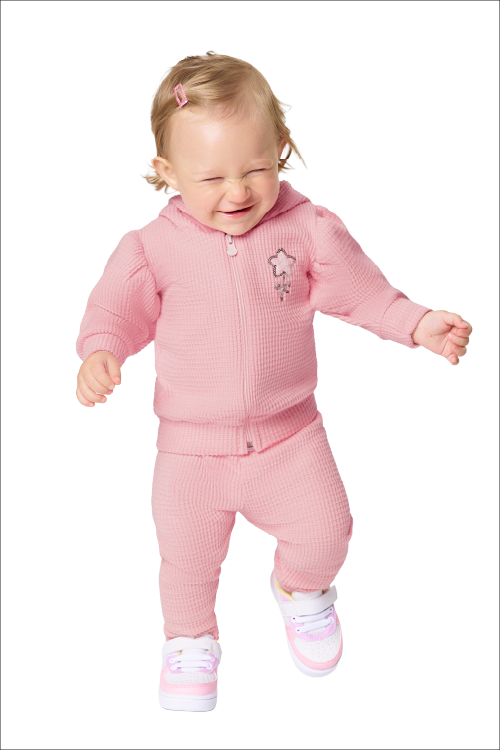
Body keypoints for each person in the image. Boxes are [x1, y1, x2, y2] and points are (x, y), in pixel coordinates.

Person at [75, 52, 473, 713]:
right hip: (191, 452)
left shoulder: (307, 229)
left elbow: (363, 293)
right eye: (211, 177)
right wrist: (100, 351)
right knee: (186, 560)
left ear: (281, 148)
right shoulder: (150, 248)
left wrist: (416, 323)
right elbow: (114, 310)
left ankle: (300, 588)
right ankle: (189, 641)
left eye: (256, 169)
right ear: (166, 172)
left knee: (328, 530)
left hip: (290, 438)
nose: (237, 191)